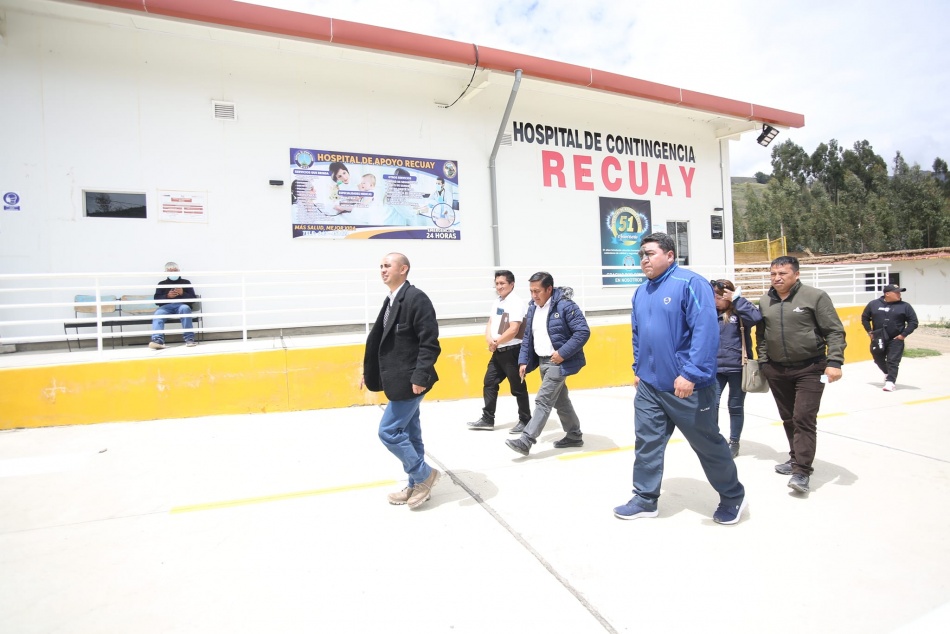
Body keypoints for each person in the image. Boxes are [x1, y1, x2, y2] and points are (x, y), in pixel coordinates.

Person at [613, 233, 747, 525]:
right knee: (647, 442)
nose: (644, 259)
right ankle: (645, 498)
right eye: (641, 255)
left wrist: (691, 373)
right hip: (650, 385)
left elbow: (705, 331)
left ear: (670, 255)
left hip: (687, 386)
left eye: (650, 253)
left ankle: (733, 496)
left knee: (708, 444)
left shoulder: (690, 283)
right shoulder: (641, 292)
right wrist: (638, 368)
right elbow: (638, 334)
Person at [757, 255, 846, 494]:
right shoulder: (765, 301)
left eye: (782, 273)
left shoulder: (815, 297)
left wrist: (835, 361)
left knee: (803, 417)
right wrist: (764, 363)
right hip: (777, 369)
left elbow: (834, 331)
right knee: (788, 418)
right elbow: (762, 335)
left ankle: (802, 472)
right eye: (773, 274)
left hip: (811, 368)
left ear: (796, 274)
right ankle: (796, 457)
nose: (777, 278)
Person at [362, 253, 442, 510]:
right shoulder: (391, 299)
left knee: (388, 432)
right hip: (397, 380)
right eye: (381, 266)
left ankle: (424, 475)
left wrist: (419, 376)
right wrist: (368, 371)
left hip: (411, 382)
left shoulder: (416, 298)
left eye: (388, 266)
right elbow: (382, 341)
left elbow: (430, 343)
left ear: (403, 269)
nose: (382, 270)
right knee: (410, 434)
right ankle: (415, 484)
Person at [505, 272, 589, 456]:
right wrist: (523, 360)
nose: (534, 295)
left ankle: (526, 440)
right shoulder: (533, 308)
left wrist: (562, 353)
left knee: (543, 400)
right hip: (542, 361)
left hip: (557, 362)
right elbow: (528, 336)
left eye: (537, 291)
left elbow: (582, 332)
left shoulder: (566, 306)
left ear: (549, 289)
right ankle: (574, 435)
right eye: (531, 291)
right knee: (561, 401)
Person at [467, 270, 531, 432]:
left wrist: (496, 342)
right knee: (489, 382)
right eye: (497, 283)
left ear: (512, 284)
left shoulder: (515, 302)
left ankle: (526, 420)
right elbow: (490, 322)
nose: (499, 286)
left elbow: (514, 329)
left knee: (517, 388)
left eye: (502, 283)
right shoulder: (498, 301)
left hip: (512, 351)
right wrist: (489, 339)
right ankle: (487, 419)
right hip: (498, 351)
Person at [712, 279, 762, 458]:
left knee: (735, 406)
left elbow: (756, 318)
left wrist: (737, 299)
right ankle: (715, 441)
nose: (716, 300)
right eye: (713, 296)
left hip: (738, 368)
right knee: (711, 405)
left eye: (720, 297)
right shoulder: (709, 313)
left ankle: (734, 442)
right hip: (715, 369)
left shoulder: (739, 313)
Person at [861, 284, 918, 392]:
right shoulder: (873, 304)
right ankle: (888, 373)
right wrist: (869, 331)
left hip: (896, 339)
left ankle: (890, 382)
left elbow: (913, 322)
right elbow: (865, 318)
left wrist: (903, 335)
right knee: (877, 358)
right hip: (878, 338)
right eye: (896, 292)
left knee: (893, 361)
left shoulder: (905, 306)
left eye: (899, 292)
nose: (899, 294)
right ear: (887, 294)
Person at [149, 261, 197, 350]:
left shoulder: (186, 282)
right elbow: (157, 300)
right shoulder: (162, 284)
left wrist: (183, 293)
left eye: (175, 270)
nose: (173, 273)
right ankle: (157, 340)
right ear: (166, 272)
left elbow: (193, 299)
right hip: (166, 307)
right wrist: (167, 296)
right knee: (158, 313)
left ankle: (189, 339)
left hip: (182, 305)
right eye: (170, 271)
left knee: (185, 308)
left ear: (179, 271)